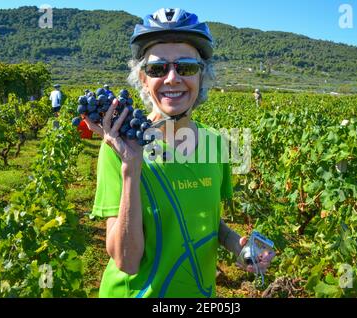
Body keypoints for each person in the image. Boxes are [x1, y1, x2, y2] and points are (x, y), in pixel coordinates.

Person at [83, 8, 273, 298]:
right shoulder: (119, 148)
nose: (172, 78)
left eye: (185, 67)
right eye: (158, 69)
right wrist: (131, 168)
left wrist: (239, 245)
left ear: (202, 76)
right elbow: (127, 261)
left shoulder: (216, 144)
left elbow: (208, 220)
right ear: (143, 79)